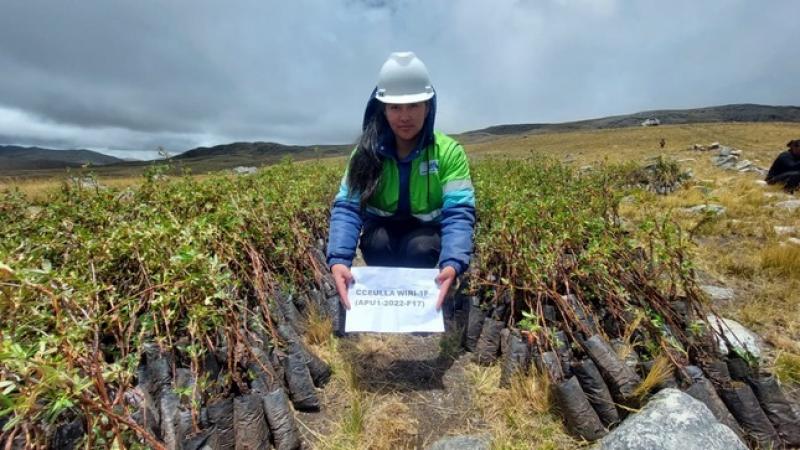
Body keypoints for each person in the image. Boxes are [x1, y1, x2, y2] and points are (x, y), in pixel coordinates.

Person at [326, 51, 476, 312]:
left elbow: (459, 213)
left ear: (428, 107)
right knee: (377, 243)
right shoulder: (364, 154)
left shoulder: (449, 152)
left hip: (426, 234)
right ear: (383, 109)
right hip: (382, 230)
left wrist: (453, 263)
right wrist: (339, 260)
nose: (404, 116)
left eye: (414, 105)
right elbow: (348, 208)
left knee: (420, 248)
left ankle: (419, 303)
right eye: (395, 107)